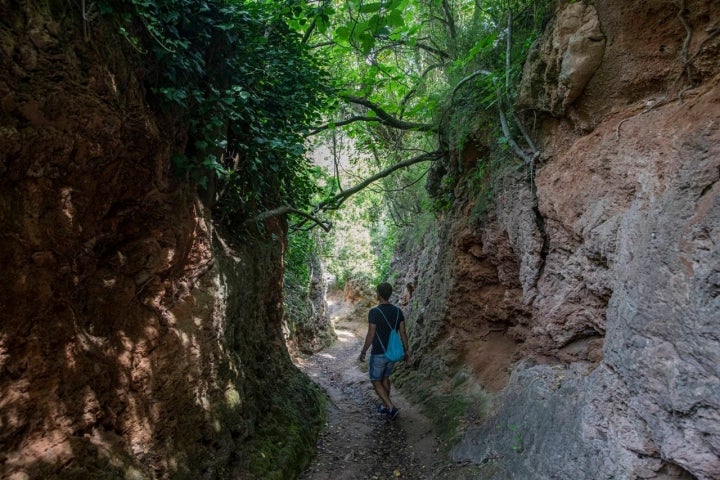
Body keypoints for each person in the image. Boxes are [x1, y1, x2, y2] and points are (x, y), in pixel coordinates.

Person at [358, 282, 410, 420]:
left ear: (378, 294)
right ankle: (386, 407)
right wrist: (406, 351)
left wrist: (363, 351)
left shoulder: (374, 312)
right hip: (393, 353)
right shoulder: (398, 311)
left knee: (375, 380)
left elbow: (371, 334)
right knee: (386, 377)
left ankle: (390, 407)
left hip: (379, 352)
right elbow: (403, 333)